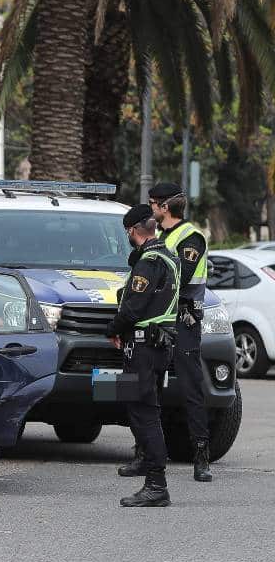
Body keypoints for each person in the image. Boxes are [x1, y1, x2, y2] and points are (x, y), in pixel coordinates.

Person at [106, 204, 180, 508]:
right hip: (157, 346)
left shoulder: (148, 263)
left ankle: (156, 484)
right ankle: (146, 467)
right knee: (139, 408)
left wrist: (112, 329)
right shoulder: (170, 256)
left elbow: (132, 308)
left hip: (143, 348)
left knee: (144, 413)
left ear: (132, 231)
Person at [142, 182, 211, 482]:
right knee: (148, 386)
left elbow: (177, 277)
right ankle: (144, 454)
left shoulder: (191, 237)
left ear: (164, 207)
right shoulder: (161, 236)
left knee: (191, 388)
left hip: (184, 321)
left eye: (152, 204)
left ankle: (201, 457)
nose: (151, 210)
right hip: (159, 320)